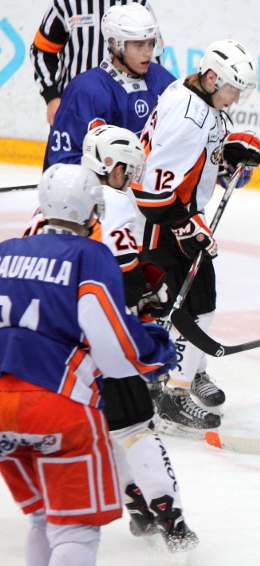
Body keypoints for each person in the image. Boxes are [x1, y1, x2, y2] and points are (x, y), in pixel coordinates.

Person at [27, 125, 198, 551]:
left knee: (99, 428)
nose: (129, 181)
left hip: (47, 348)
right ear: (113, 166)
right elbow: (122, 273)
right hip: (98, 335)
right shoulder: (112, 202)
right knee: (136, 427)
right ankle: (169, 517)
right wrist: (149, 297)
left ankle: (134, 500)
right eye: (128, 171)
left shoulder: (47, 206)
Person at [0, 163, 177, 565]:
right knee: (73, 529)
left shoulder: (5, 251)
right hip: (55, 406)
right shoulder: (89, 255)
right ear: (92, 211)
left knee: (44, 519)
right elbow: (112, 348)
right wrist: (153, 352)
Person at [131, 38, 260, 435]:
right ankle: (170, 391)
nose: (235, 100)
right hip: (158, 223)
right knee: (186, 307)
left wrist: (226, 158)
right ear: (210, 77)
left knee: (195, 301)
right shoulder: (190, 120)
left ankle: (184, 374)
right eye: (232, 90)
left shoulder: (188, 93)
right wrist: (187, 226)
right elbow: (149, 191)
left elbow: (191, 163)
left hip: (173, 215)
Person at [43, 2, 174, 170]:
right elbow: (64, 160)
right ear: (115, 45)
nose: (147, 52)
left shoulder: (163, 80)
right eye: (139, 45)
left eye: (150, 43)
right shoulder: (86, 92)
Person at [30, 0, 159, 125]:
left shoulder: (139, 4)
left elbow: (151, 57)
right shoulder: (66, 4)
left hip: (128, 110)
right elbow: (41, 51)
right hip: (76, 107)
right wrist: (52, 96)